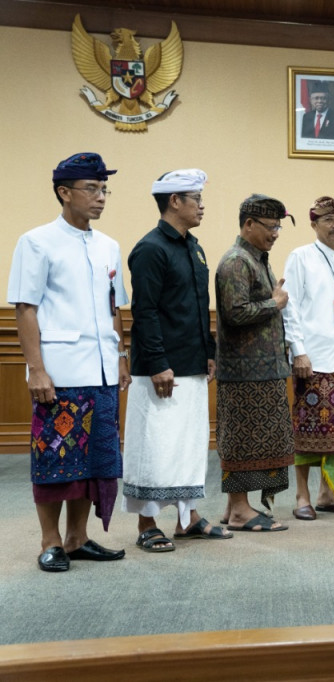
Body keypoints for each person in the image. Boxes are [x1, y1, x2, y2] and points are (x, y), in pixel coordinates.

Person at [7, 152, 130, 572]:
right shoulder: (37, 241)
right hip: (59, 370)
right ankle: (50, 540)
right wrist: (36, 369)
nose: (100, 198)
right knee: (55, 458)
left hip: (101, 369)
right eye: (91, 189)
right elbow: (25, 308)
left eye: (103, 189)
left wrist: (121, 353)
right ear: (65, 192)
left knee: (94, 460)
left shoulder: (108, 246)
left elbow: (115, 306)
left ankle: (78, 539)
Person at [122, 168, 233, 553]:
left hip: (192, 364)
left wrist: (209, 352)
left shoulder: (193, 247)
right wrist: (156, 363)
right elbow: (145, 311)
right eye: (196, 199)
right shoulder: (151, 248)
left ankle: (189, 518)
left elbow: (200, 308)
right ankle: (147, 523)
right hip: (160, 368)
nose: (202, 205)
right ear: (174, 202)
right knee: (155, 446)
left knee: (188, 444)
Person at [214, 194, 295, 532]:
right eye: (270, 226)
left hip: (264, 370)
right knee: (242, 440)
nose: (276, 233)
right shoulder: (236, 261)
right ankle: (238, 511)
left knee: (259, 441)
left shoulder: (257, 258)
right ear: (248, 224)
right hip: (244, 372)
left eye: (278, 226)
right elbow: (234, 314)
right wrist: (275, 303)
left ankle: (236, 506)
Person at [282, 196, 334, 521]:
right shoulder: (300, 257)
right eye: (329, 219)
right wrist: (298, 350)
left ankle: (329, 495)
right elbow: (290, 306)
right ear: (314, 223)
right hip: (313, 359)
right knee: (307, 430)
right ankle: (302, 496)